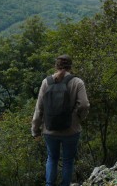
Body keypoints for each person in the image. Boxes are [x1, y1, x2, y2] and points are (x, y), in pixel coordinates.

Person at [31, 55, 90, 186]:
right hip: (71, 130)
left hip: (49, 129)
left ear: (56, 66)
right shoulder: (77, 82)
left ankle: (49, 184)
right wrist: (78, 118)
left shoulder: (46, 82)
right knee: (68, 160)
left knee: (52, 158)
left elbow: (39, 108)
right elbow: (84, 105)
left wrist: (35, 130)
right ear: (70, 66)